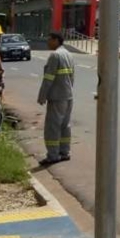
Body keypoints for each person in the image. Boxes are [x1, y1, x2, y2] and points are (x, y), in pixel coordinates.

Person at [38, 32, 75, 165]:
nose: (48, 42)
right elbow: (72, 76)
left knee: (52, 127)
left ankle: (53, 155)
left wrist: (42, 96)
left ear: (56, 40)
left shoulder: (55, 55)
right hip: (68, 95)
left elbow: (48, 78)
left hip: (57, 97)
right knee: (65, 125)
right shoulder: (68, 54)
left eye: (49, 39)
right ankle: (64, 152)